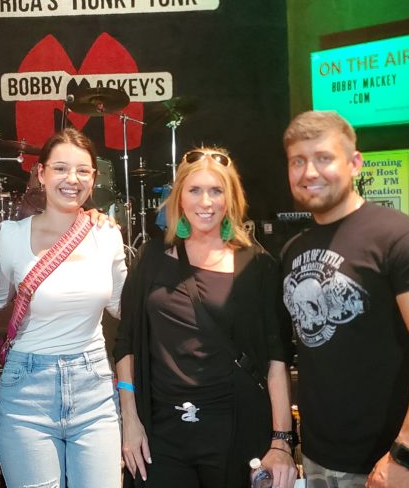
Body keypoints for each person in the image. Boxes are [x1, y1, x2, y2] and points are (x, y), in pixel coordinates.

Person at [280, 111, 409, 488]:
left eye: (323, 158)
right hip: (319, 460)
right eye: (298, 161)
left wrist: (406, 454)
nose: (309, 172)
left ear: (354, 163)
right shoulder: (292, 250)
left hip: (391, 465)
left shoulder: (404, 239)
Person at [113, 147, 299, 488]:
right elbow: (126, 343)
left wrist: (281, 441)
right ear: (179, 197)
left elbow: (276, 359)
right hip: (162, 433)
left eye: (217, 191)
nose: (206, 202)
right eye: (195, 190)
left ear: (231, 199)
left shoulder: (256, 266)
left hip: (235, 430)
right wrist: (130, 420)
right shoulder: (151, 258)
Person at [0, 127, 127, 488]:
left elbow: (122, 306)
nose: (72, 179)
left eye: (83, 171)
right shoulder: (10, 236)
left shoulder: (108, 234)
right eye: (61, 168)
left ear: (94, 178)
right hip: (26, 391)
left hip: (93, 387)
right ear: (41, 173)